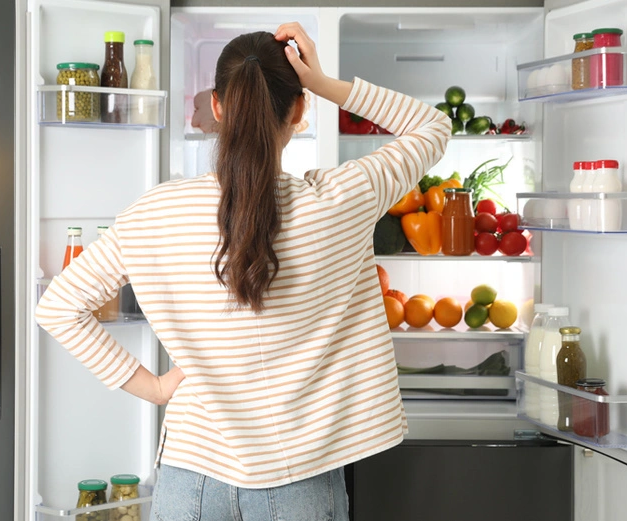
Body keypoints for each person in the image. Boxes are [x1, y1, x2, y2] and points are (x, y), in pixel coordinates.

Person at [35, 22, 451, 521]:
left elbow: (59, 307)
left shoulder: (156, 212)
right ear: (299, 111)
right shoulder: (343, 200)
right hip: (302, 480)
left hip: (190, 480)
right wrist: (322, 82)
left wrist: (156, 388)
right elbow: (433, 126)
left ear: (215, 107)